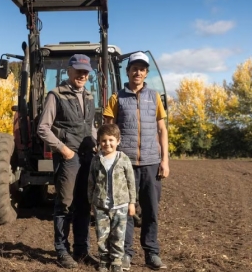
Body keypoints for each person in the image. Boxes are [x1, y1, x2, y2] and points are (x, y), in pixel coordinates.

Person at [103, 51, 170, 270]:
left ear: (146, 73)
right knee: (126, 211)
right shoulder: (116, 98)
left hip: (151, 162)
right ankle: (126, 254)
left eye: (142, 69)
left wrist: (165, 160)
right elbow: (108, 131)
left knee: (150, 210)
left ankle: (152, 252)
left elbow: (162, 129)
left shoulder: (155, 97)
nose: (138, 72)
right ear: (128, 71)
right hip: (126, 163)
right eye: (134, 68)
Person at [37, 53, 98, 269]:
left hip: (87, 157)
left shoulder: (89, 96)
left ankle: (82, 251)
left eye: (85, 72)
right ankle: (62, 250)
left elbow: (89, 125)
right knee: (64, 205)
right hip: (69, 158)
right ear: (69, 71)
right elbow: (43, 128)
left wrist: (97, 142)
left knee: (84, 205)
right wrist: (64, 150)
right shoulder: (56, 95)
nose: (82, 75)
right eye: (78, 71)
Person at [87, 123, 137, 272]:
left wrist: (132, 203)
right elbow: (91, 181)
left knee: (118, 235)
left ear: (118, 141)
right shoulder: (96, 160)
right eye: (103, 140)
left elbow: (131, 182)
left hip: (120, 205)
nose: (107, 143)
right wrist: (91, 201)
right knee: (102, 235)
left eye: (110, 140)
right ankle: (103, 260)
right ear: (99, 142)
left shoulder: (123, 159)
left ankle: (116, 261)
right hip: (101, 205)